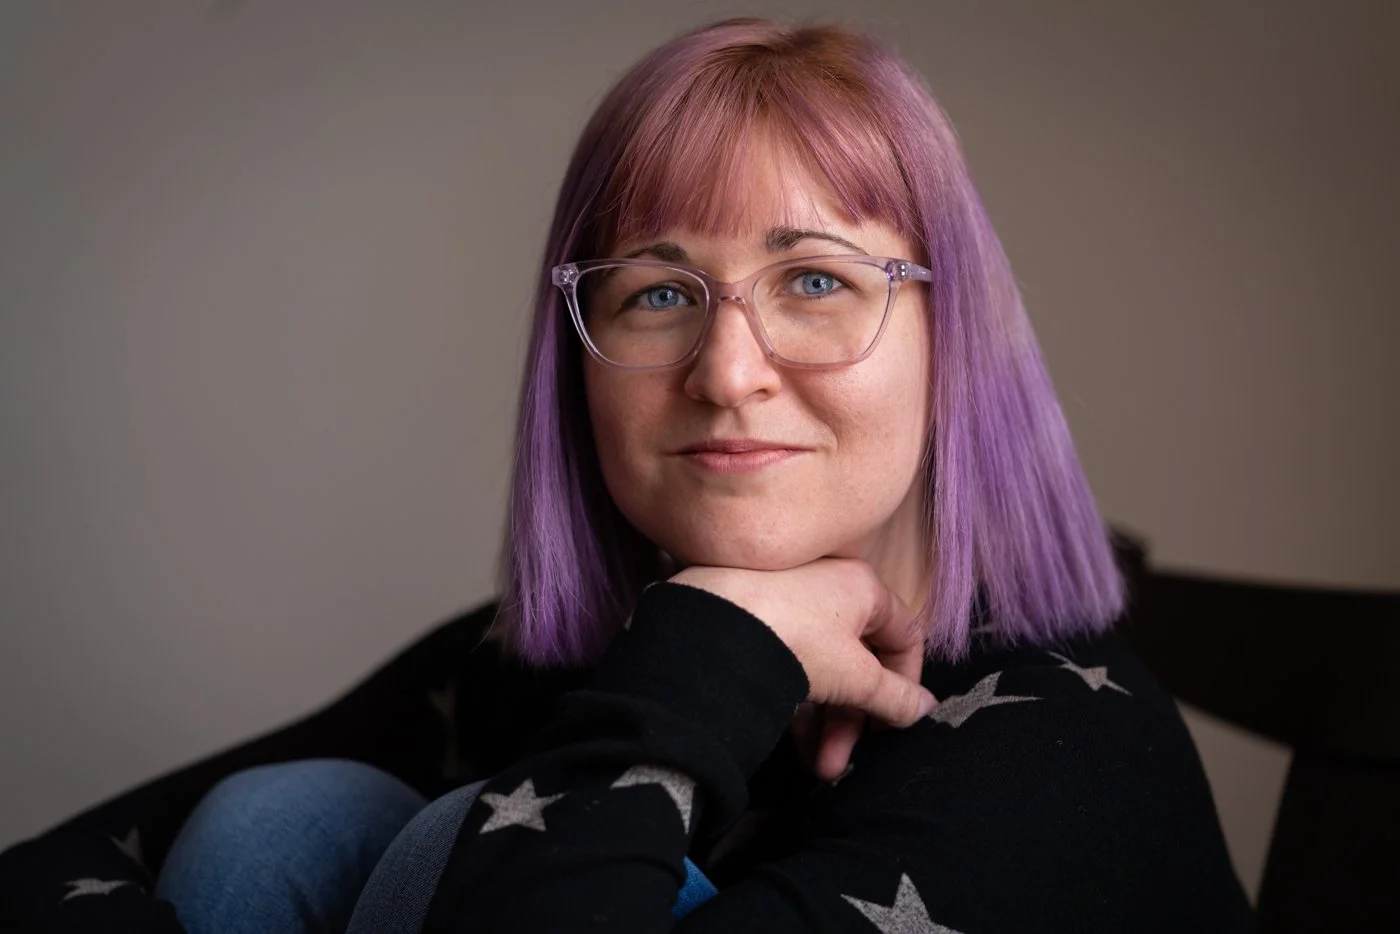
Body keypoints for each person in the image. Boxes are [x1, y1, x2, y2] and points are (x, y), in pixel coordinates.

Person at [0, 16, 1253, 934]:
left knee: (456, 840)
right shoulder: (576, 661)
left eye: (813, 279)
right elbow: (38, 875)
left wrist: (704, 661)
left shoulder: (1059, 751)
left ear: (954, 334)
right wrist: (706, 656)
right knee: (288, 820)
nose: (725, 370)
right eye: (657, 294)